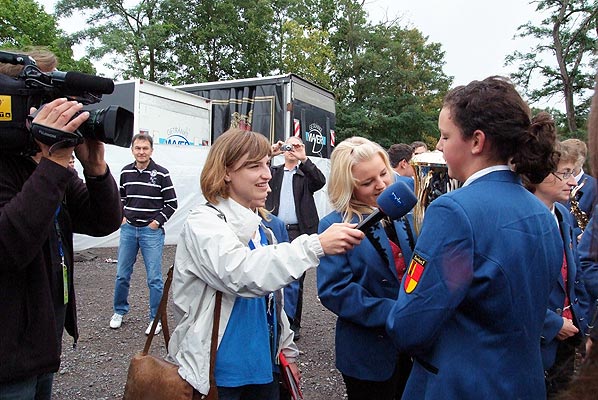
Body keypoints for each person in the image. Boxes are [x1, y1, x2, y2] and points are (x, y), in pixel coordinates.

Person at [385, 76, 563, 399]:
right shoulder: (543, 214)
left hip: (461, 387)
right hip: (524, 384)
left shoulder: (454, 212)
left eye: (445, 135)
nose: (439, 146)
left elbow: (412, 323)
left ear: (477, 141)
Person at [167, 128, 364, 399]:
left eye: (266, 164)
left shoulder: (263, 231)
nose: (267, 174)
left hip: (263, 370)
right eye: (254, 166)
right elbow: (240, 273)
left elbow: (272, 301)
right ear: (226, 171)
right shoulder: (203, 222)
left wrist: (286, 352)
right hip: (217, 375)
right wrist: (315, 245)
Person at [0, 49, 122, 399]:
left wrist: (95, 169)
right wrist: (52, 163)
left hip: (41, 346)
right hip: (6, 360)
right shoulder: (28, 166)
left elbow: (102, 221)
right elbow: (8, 246)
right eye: (43, 101)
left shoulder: (45, 165)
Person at [317, 137, 416, 400]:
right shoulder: (334, 225)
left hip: (413, 348)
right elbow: (334, 291)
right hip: (368, 353)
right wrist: (396, 311)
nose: (381, 184)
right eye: (367, 182)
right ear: (348, 186)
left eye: (383, 173)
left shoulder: (403, 214)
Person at [522, 141, 591, 398]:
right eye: (565, 173)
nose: (572, 182)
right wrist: (551, 323)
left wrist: (580, 317)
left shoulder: (562, 214)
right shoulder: (520, 221)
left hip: (568, 339)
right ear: (539, 174)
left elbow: (575, 275)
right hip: (535, 343)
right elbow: (515, 289)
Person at [109, 133, 178, 335]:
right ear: (132, 150)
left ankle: (155, 319)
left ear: (151, 150)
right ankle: (119, 311)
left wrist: (156, 223)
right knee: (122, 275)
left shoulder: (162, 174)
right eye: (137, 148)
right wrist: (122, 217)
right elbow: (121, 197)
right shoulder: (125, 172)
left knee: (154, 278)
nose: (141, 152)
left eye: (145, 148)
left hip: (151, 232)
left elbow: (172, 203)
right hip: (129, 229)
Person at [266, 136, 326, 340]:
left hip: (297, 230)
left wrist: (304, 158)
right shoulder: (273, 172)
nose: (291, 149)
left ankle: (292, 322)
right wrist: (269, 153)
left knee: (296, 277)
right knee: (272, 272)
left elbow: (320, 181)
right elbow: (255, 173)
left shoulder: (304, 174)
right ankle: (273, 317)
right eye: (288, 146)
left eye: (296, 146)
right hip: (275, 228)